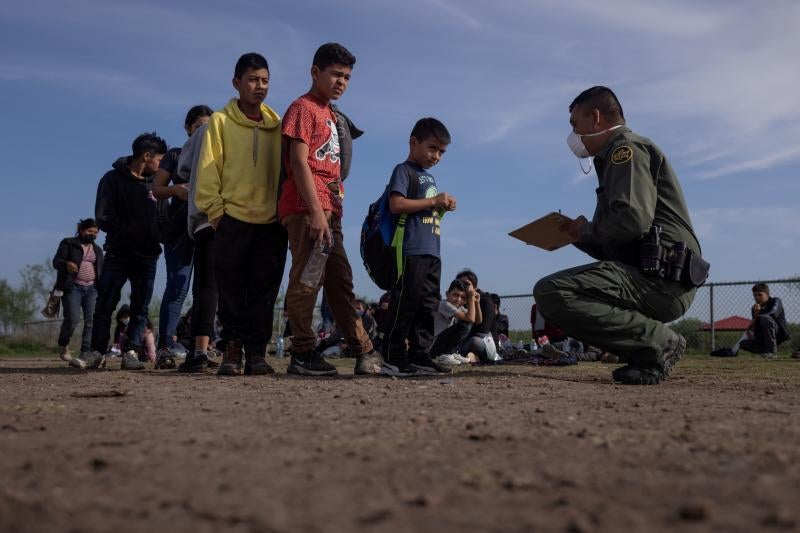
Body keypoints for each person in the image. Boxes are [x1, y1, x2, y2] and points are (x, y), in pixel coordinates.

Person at [533, 86, 708, 385]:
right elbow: (622, 239)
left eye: (575, 125)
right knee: (554, 291)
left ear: (597, 117)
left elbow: (631, 221)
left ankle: (658, 343)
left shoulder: (625, 149)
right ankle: (646, 353)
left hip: (660, 280)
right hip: (654, 274)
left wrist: (585, 230)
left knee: (553, 292)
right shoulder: (615, 157)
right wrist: (578, 236)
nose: (573, 135)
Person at [279, 42, 382, 376]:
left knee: (340, 281)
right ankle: (303, 353)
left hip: (330, 212)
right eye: (336, 74)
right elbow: (298, 161)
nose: (341, 82)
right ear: (315, 72)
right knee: (307, 281)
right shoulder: (302, 108)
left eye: (347, 77)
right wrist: (315, 211)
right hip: (308, 209)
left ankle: (364, 350)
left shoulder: (331, 115)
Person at [195, 53, 287, 376]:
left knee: (264, 292)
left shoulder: (278, 126)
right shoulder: (219, 122)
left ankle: (257, 354)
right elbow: (208, 172)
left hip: (271, 224)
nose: (259, 86)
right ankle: (232, 350)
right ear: (236, 83)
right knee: (231, 290)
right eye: (252, 80)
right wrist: (218, 214)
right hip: (231, 219)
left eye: (264, 80)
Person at [379, 117, 456, 376]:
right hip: (409, 250)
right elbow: (397, 204)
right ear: (414, 143)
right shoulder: (404, 170)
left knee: (429, 305)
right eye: (432, 148)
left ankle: (420, 355)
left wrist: (441, 205)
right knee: (405, 303)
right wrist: (434, 201)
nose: (437, 156)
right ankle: (392, 356)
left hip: (432, 251)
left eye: (442, 152)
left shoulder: (429, 177)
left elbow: (427, 209)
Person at [84, 132, 168, 370]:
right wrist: (132, 232)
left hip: (148, 257)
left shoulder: (156, 185)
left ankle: (130, 352)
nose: (161, 167)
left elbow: (164, 218)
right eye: (159, 161)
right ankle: (97, 351)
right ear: (146, 155)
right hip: (117, 254)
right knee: (105, 304)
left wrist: (159, 238)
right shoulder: (111, 180)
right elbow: (104, 216)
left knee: (140, 307)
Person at [152, 105, 214, 369]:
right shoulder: (175, 155)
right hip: (178, 230)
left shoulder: (215, 156)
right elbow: (157, 189)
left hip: (206, 227)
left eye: (208, 126)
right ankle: (165, 346)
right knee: (178, 285)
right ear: (188, 128)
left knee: (207, 288)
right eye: (199, 125)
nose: (203, 130)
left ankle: (200, 351)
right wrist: (175, 190)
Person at [51, 218, 103, 368]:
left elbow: (101, 269)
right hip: (72, 287)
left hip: (92, 288)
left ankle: (85, 352)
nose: (92, 234)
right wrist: (66, 264)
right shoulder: (68, 243)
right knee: (72, 319)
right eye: (89, 231)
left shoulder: (97, 250)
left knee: (91, 321)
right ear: (81, 230)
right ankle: (63, 343)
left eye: (95, 233)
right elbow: (56, 261)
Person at [710, 283, 790, 358]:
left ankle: (772, 352)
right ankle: (764, 351)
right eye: (755, 295)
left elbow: (772, 313)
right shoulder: (754, 308)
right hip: (762, 338)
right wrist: (755, 317)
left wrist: (759, 314)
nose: (757, 297)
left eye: (760, 295)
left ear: (767, 295)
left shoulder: (775, 301)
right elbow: (754, 329)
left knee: (765, 318)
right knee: (743, 344)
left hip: (777, 335)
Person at [430, 279, 477, 364]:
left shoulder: (458, 308)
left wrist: (475, 302)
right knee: (465, 323)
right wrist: (471, 297)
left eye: (463, 297)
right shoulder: (445, 304)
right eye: (455, 295)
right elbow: (471, 319)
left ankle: (451, 352)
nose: (458, 299)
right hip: (433, 346)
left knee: (468, 322)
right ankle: (446, 354)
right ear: (447, 294)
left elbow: (477, 320)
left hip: (440, 344)